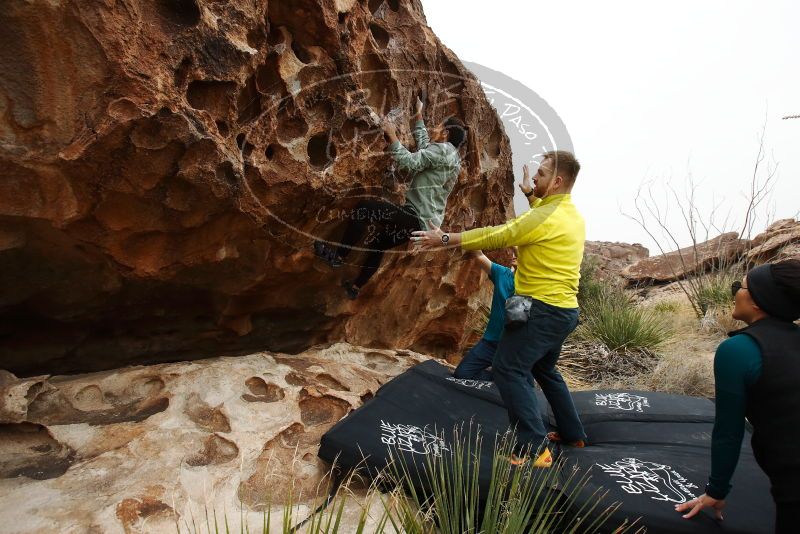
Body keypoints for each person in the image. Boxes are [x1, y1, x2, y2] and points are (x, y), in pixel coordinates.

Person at [412, 151, 587, 467]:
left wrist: (446, 238)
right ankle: (573, 432)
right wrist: (531, 194)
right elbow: (540, 216)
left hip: (542, 310)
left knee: (509, 369)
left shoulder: (547, 217)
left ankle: (535, 450)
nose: (535, 176)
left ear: (558, 180)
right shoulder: (568, 213)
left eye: (542, 174)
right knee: (544, 369)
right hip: (565, 311)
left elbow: (501, 233)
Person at [675, 259, 800, 533]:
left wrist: (716, 491)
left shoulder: (739, 350)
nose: (734, 293)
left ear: (757, 300)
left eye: (738, 287)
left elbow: (728, 431)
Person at [314, 98, 466, 299]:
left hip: (415, 215)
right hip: (424, 226)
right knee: (378, 244)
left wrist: (393, 136)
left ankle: (339, 256)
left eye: (439, 127)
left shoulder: (441, 151)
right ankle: (356, 287)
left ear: (446, 132)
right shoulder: (454, 159)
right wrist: (418, 114)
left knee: (364, 209)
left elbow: (409, 163)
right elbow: (424, 149)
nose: (436, 129)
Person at [453, 248, 517, 381]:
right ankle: (498, 379)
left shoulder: (535, 284)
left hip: (516, 346)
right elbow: (478, 254)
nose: (514, 254)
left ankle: (505, 379)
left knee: (521, 383)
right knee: (463, 374)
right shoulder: (502, 273)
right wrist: (448, 237)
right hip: (491, 342)